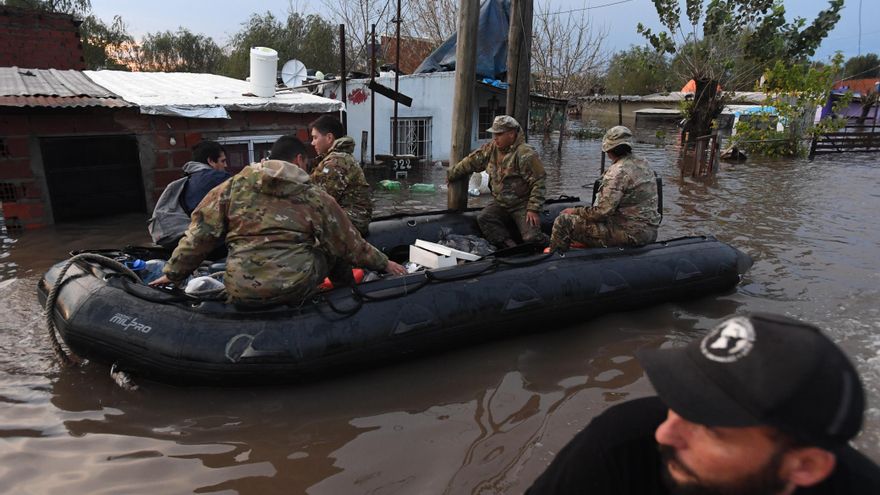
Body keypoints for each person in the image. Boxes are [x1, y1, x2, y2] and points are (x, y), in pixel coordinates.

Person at [526, 313, 880, 494]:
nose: (665, 434)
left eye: (709, 426)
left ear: (804, 465)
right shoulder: (619, 448)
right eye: (680, 397)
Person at [149, 135, 406, 307]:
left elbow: (198, 236)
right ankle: (346, 299)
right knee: (332, 248)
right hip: (292, 287)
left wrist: (172, 274)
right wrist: (386, 264)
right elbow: (349, 243)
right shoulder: (313, 196)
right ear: (298, 160)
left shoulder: (230, 188)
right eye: (306, 163)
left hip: (240, 290)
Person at [548, 125, 660, 252]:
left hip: (630, 234)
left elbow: (601, 213)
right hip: (650, 232)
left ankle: (554, 260)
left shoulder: (617, 172)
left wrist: (575, 211)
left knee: (563, 221)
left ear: (608, 150)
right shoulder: (643, 163)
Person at [447, 115, 548, 249]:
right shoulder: (491, 149)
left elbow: (539, 180)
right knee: (484, 218)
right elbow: (471, 162)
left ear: (511, 134)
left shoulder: (525, 153)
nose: (495, 138)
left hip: (522, 204)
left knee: (531, 237)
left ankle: (550, 245)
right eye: (494, 134)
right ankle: (510, 247)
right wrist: (452, 174)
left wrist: (533, 208)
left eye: (499, 134)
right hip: (501, 203)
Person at [309, 115, 373, 236]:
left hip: (353, 220)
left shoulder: (337, 161)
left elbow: (321, 199)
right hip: (345, 216)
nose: (312, 143)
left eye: (315, 137)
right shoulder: (332, 158)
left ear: (329, 138)